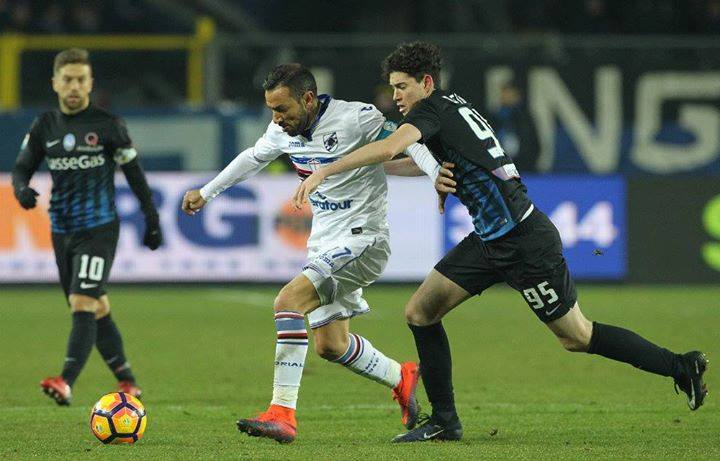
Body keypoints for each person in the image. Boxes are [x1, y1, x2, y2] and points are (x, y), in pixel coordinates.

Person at [293, 41, 709, 442]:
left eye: (402, 86)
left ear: (426, 82)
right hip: (490, 240)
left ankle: (680, 365)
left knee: (577, 337)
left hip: (524, 242)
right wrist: (398, 173)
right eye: (393, 87)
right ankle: (444, 421)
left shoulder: (430, 110)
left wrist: (325, 170)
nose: (396, 95)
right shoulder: (452, 107)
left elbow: (388, 148)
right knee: (420, 311)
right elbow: (428, 161)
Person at [181, 63, 440, 443]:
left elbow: (412, 143)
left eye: (282, 109)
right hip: (324, 242)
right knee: (331, 345)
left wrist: (436, 175)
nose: (276, 118)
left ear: (307, 99)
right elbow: (253, 157)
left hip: (364, 239)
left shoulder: (356, 118)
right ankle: (400, 376)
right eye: (271, 110)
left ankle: (282, 413)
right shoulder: (281, 130)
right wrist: (207, 192)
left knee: (288, 301)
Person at [11, 48, 162, 405]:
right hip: (61, 230)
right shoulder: (44, 126)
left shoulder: (109, 125)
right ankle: (128, 381)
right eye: (68, 80)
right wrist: (20, 190)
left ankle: (65, 381)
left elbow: (134, 173)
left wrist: (151, 218)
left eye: (81, 79)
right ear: (55, 83)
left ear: (90, 83)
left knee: (82, 302)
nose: (75, 86)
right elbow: (21, 168)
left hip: (99, 229)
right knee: (95, 306)